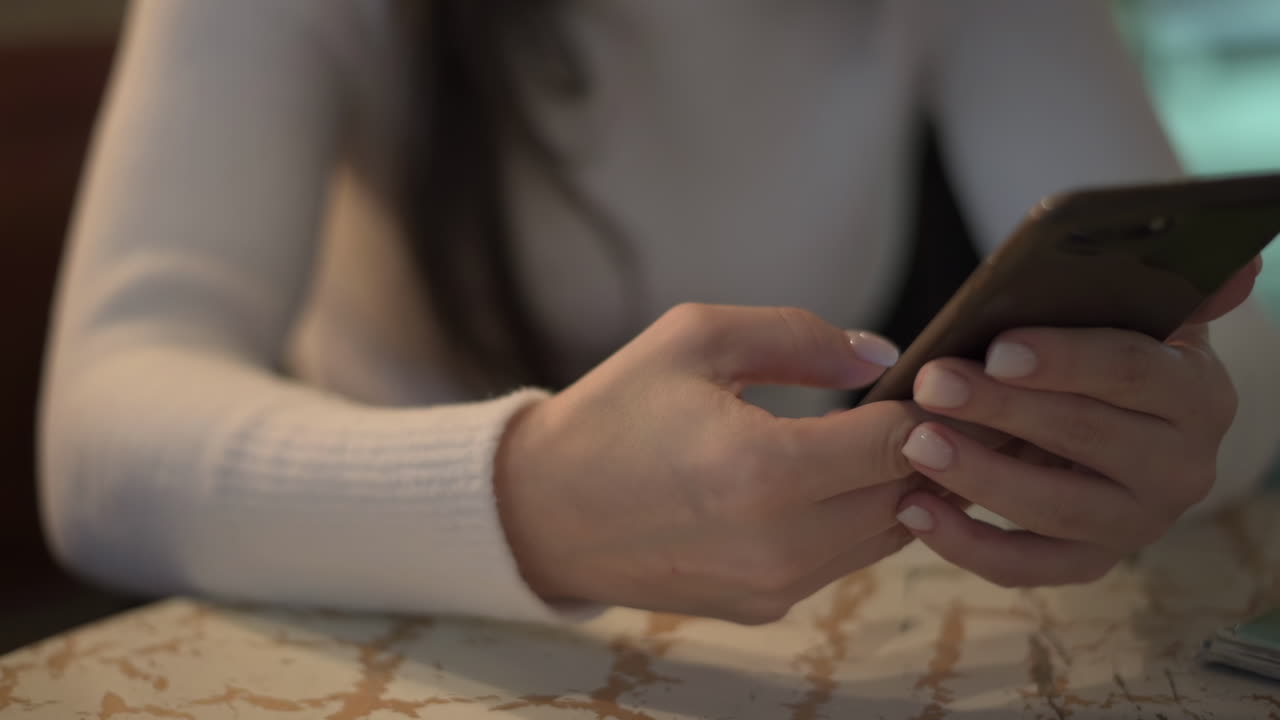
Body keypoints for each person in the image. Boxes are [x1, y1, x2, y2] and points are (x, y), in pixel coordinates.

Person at [40, 0, 1280, 626]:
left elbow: (1224, 336)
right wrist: (526, 498)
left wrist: (1185, 426)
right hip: (388, 643)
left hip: (790, 653)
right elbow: (102, 440)